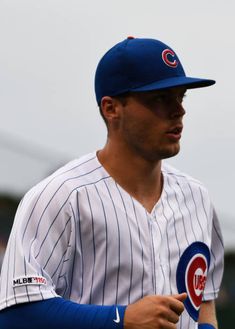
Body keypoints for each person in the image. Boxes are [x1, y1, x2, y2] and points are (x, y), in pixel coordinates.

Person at [0, 37, 224, 329]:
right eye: (160, 98)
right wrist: (121, 319)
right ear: (111, 108)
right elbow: (16, 314)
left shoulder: (197, 198)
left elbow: (204, 307)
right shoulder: (61, 196)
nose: (178, 111)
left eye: (180, 97)